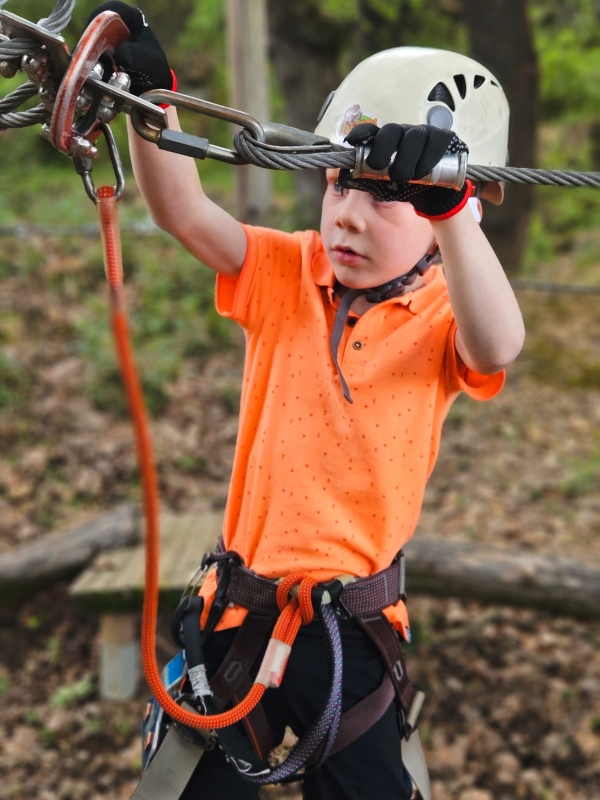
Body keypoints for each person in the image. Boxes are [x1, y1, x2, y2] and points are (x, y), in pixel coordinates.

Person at [88, 4, 525, 799]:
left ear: (451, 214)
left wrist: (450, 209)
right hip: (239, 612)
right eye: (337, 185)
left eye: (387, 199)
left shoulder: (444, 315)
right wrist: (156, 104)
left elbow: (498, 345)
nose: (349, 215)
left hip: (350, 630)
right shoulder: (289, 271)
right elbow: (183, 213)